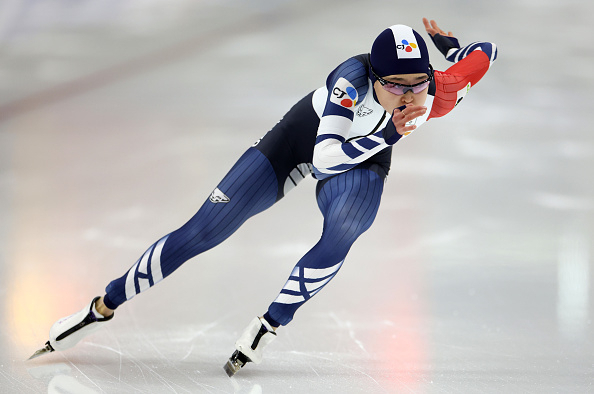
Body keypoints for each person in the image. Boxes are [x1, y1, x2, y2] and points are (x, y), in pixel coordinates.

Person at [30, 18, 497, 376]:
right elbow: (327, 159)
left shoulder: (439, 91)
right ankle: (101, 307)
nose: (408, 96)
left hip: (365, 160)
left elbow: (485, 53)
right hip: (301, 142)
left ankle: (271, 322)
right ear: (375, 77)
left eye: (417, 83)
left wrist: (451, 50)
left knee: (347, 228)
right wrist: (388, 135)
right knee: (201, 232)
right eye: (395, 85)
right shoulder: (349, 83)